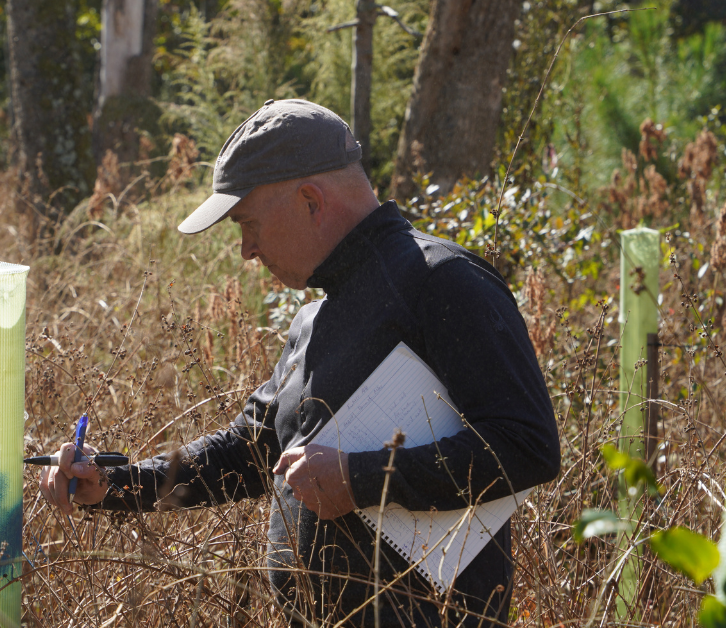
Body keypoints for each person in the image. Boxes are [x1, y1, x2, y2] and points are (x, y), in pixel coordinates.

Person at [39, 99, 560, 626]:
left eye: (248, 223)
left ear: (311, 200)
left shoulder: (444, 282)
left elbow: (528, 445)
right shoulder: (314, 319)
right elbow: (250, 451)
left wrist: (361, 479)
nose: (245, 249)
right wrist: (117, 484)